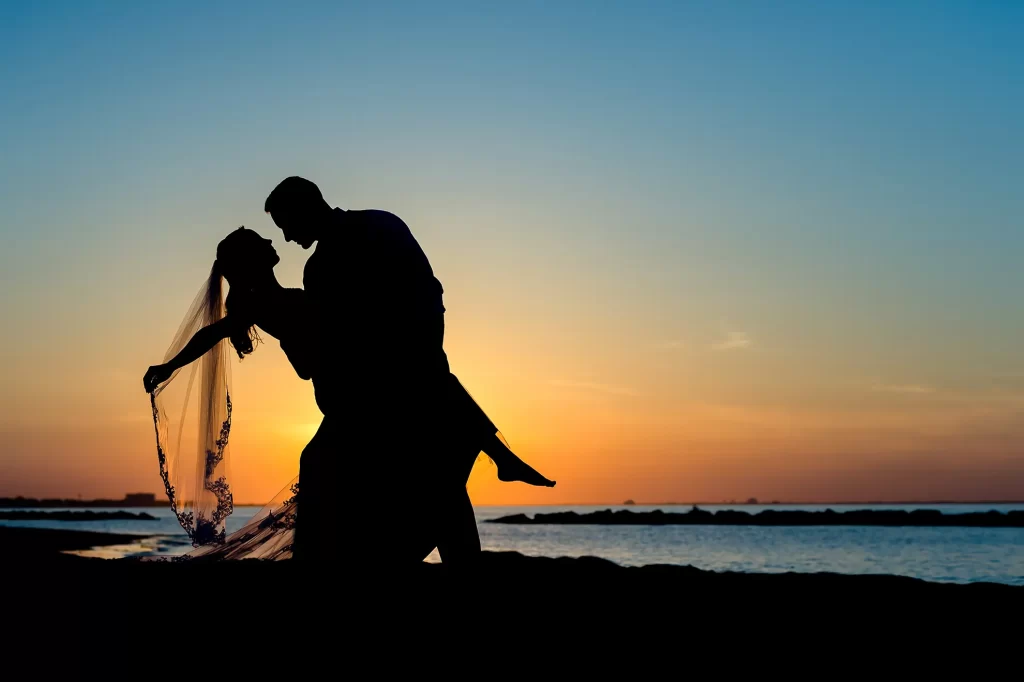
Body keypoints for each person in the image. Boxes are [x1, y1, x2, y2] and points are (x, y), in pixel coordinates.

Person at [143, 227, 553, 562]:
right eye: (260, 239)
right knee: (435, 446)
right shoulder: (262, 302)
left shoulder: (285, 296)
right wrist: (169, 366)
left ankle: (496, 470)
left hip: (357, 404)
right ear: (252, 259)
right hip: (352, 409)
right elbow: (211, 334)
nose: (271, 241)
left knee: (436, 438)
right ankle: (497, 467)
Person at [263, 177, 553, 566]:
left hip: (395, 379)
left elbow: (426, 292)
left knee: (433, 480)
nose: (285, 238)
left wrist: (418, 348)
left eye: (285, 225)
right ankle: (498, 461)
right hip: (378, 383)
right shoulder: (360, 238)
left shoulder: (372, 232)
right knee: (435, 481)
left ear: (306, 207)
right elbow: (334, 335)